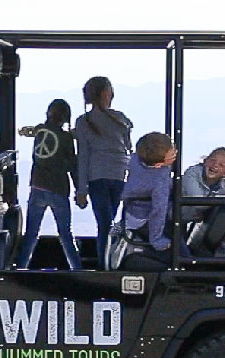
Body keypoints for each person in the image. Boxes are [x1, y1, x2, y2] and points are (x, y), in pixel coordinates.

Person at [15, 99, 82, 270]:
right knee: (66, 235)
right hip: (58, 190)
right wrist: (80, 191)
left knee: (31, 233)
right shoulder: (66, 138)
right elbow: (73, 166)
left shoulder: (40, 131)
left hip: (37, 188)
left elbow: (30, 130)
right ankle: (77, 269)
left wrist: (23, 131)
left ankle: (21, 267)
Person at [75, 75, 133, 266]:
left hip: (97, 178)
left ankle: (104, 265)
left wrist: (81, 190)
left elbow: (82, 158)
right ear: (106, 93)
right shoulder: (121, 119)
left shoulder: (84, 122)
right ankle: (109, 264)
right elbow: (129, 149)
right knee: (109, 225)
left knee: (104, 225)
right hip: (120, 176)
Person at [120, 132, 178, 257]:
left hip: (131, 212)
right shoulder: (160, 181)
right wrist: (157, 240)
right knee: (180, 252)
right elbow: (158, 211)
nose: (175, 153)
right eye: (172, 155)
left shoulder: (136, 160)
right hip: (145, 220)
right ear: (158, 165)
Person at [181, 147, 225, 223]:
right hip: (168, 218)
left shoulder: (221, 185)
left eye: (221, 165)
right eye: (212, 160)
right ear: (205, 161)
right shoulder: (192, 174)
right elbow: (197, 202)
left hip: (185, 221)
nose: (215, 165)